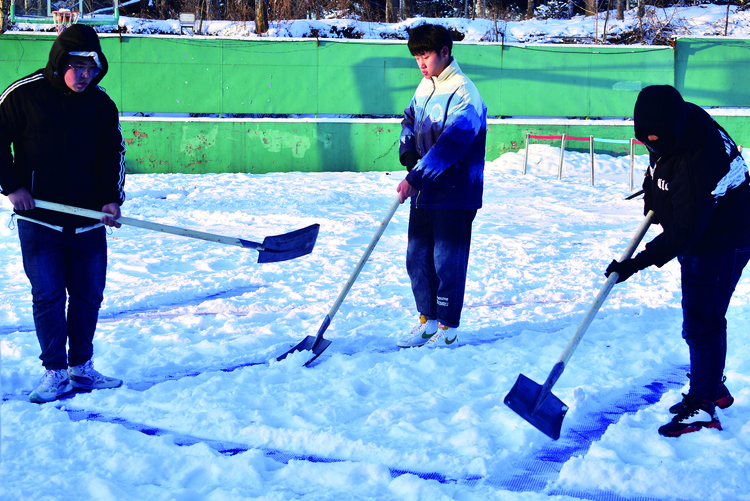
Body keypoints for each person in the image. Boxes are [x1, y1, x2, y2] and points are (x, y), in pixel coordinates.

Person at [605, 85, 750, 437]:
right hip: (707, 226)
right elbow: (661, 164)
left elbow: (685, 231)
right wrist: (654, 197)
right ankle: (711, 386)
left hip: (723, 238)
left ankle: (703, 405)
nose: (653, 146)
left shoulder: (701, 159)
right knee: (702, 317)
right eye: (647, 140)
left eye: (659, 140)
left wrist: (633, 264)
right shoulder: (678, 120)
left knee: (702, 321)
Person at [0, 24, 126, 403]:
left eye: (92, 67)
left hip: (89, 221)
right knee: (49, 296)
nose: (85, 75)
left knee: (89, 296)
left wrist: (111, 199)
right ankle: (55, 371)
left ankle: (81, 367)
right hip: (40, 220)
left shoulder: (101, 104)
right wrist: (13, 187)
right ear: (59, 63)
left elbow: (113, 156)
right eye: (77, 67)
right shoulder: (24, 96)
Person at [395, 24, 487, 349]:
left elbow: (451, 146)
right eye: (416, 55)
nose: (421, 62)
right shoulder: (425, 86)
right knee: (417, 257)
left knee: (447, 260)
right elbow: (408, 118)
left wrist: (413, 178)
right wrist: (408, 155)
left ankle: (448, 327)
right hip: (424, 191)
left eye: (426, 54)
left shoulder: (465, 93)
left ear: (445, 52)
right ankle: (428, 320)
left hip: (455, 193)